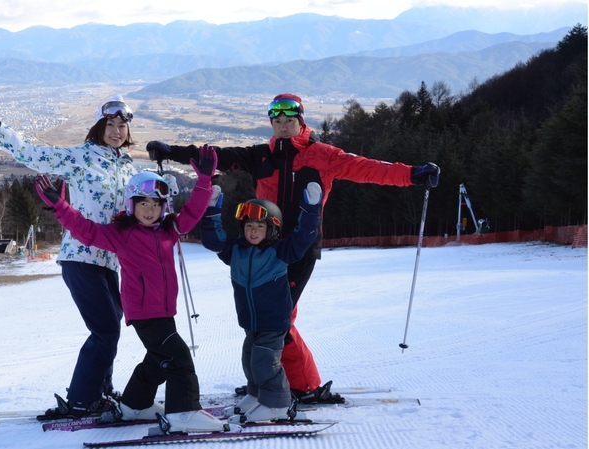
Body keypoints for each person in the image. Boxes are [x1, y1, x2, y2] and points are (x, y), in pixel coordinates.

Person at [145, 93, 441, 403]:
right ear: (271, 124)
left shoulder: (324, 155)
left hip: (299, 248)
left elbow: (368, 168)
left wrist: (412, 174)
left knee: (278, 321)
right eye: (278, 122)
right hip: (265, 247)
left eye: (290, 121)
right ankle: (272, 380)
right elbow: (214, 155)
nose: (284, 126)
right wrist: (173, 151)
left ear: (301, 121)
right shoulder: (261, 156)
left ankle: (302, 386)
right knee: (268, 319)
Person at [34, 145, 226, 434]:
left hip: (164, 311)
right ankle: (183, 413)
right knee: (178, 358)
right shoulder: (121, 234)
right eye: (143, 203)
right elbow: (86, 230)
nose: (149, 210)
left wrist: (203, 182)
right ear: (131, 204)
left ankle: (136, 404)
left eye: (156, 204)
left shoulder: (168, 230)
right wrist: (60, 207)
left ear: (164, 207)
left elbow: (193, 213)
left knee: (159, 358)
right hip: (144, 312)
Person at [0, 95, 138, 419]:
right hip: (81, 256)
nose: (117, 131)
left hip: (109, 260)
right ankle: (82, 399)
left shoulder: (128, 166)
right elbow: (35, 155)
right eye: (110, 125)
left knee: (111, 327)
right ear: (98, 127)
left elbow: (145, 201)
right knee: (106, 330)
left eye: (122, 125)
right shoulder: (80, 157)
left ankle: (100, 391)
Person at [200, 183, 323, 423]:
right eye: (248, 226)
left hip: (273, 320)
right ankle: (256, 395)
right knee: (250, 358)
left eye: (259, 226)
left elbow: (304, 236)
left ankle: (278, 403)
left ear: (272, 229)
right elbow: (213, 240)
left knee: (265, 360)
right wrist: (212, 208)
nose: (253, 231)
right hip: (250, 320)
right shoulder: (235, 250)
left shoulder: (280, 251)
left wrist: (311, 208)